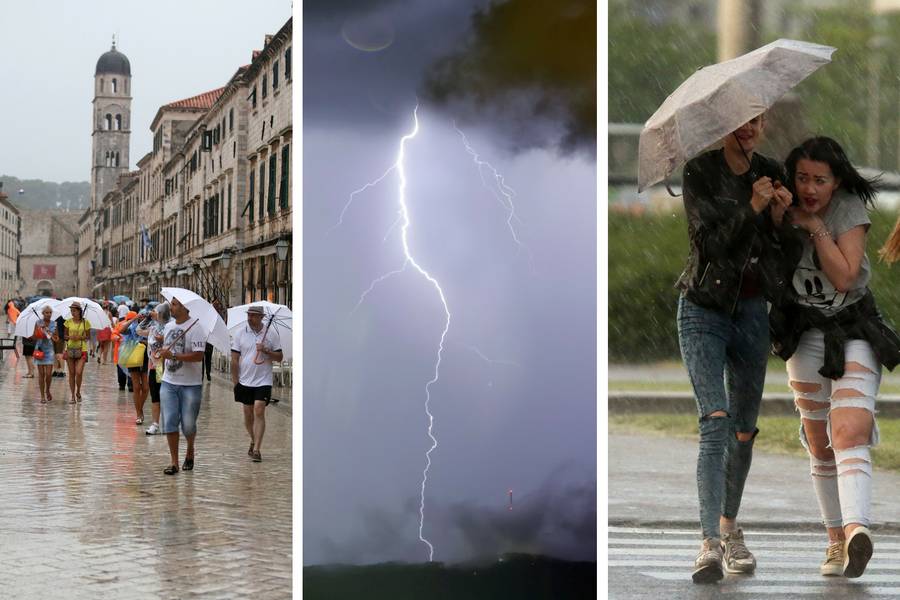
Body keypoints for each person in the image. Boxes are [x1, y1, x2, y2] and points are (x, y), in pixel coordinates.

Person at [771, 137, 900, 579]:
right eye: (802, 177)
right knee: (819, 440)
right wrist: (776, 216)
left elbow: (845, 277)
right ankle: (834, 541)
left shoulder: (848, 212)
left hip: (854, 328)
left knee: (850, 429)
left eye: (819, 180)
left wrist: (814, 226)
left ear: (837, 181)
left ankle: (856, 531)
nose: (809, 187)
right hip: (803, 331)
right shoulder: (780, 210)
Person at [675, 113, 794, 583]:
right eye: (739, 120)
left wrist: (781, 217)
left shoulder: (772, 169)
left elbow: (782, 253)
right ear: (722, 124)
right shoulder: (699, 172)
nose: (749, 128)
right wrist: (750, 205)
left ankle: (729, 529)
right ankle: (707, 545)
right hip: (703, 306)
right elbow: (709, 244)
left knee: (744, 431)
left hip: (751, 312)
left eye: (758, 119)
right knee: (716, 423)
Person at [157, 296, 208, 475]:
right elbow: (166, 353)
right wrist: (162, 372)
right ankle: (174, 462)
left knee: (188, 425)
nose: (171, 307)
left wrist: (175, 357)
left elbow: (199, 356)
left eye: (174, 304)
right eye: (172, 304)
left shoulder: (196, 328)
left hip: (190, 384)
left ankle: (190, 450)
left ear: (185, 308)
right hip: (169, 382)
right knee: (170, 421)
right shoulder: (169, 327)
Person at [231, 305, 284, 462]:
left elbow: (280, 357)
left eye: (253, 315)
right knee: (248, 414)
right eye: (249, 315)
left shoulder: (271, 335)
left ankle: (257, 450)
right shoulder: (240, 333)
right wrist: (236, 382)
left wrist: (267, 350)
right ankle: (253, 439)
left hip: (263, 380)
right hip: (245, 380)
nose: (250, 318)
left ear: (261, 317)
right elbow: (234, 359)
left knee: (259, 409)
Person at [139, 302, 171, 435]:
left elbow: (171, 340)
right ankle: (155, 423)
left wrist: (162, 339)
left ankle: (167, 422)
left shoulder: (170, 326)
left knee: (166, 395)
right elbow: (139, 330)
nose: (156, 314)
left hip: (166, 366)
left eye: (158, 313)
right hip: (154, 366)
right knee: (155, 395)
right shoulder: (153, 327)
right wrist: (147, 317)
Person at [124, 310, 151, 425]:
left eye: (145, 316)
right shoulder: (133, 326)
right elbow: (121, 330)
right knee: (136, 387)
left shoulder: (151, 327)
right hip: (133, 355)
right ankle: (139, 414)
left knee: (145, 387)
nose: (143, 317)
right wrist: (133, 319)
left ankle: (140, 409)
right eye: (141, 315)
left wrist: (146, 342)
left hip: (146, 356)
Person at [63, 302, 92, 403]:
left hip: (82, 349)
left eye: (74, 311)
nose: (72, 312)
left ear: (79, 311)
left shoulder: (85, 322)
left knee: (79, 372)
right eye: (71, 311)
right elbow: (65, 336)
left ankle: (78, 391)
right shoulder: (68, 322)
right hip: (70, 349)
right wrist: (70, 337)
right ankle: (72, 396)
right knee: (71, 373)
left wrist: (80, 337)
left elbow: (88, 337)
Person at [33, 305, 59, 403]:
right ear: (43, 313)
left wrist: (50, 334)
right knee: (41, 374)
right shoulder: (38, 323)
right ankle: (42, 396)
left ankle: (47, 390)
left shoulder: (54, 324)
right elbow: (34, 336)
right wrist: (39, 332)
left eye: (50, 312)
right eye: (46, 312)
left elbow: (57, 339)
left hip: (49, 351)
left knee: (48, 374)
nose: (48, 314)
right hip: (39, 349)